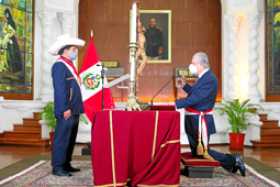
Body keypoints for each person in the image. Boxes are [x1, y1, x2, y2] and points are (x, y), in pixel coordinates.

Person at [175, 52, 246, 176]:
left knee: (203, 151)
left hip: (200, 119)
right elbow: (195, 93)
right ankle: (192, 170)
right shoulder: (203, 77)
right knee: (195, 150)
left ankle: (234, 160)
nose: (191, 65)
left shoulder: (210, 78)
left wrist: (176, 104)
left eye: (193, 63)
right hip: (192, 118)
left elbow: (197, 98)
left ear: (201, 64)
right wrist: (185, 86)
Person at [49, 34, 85, 177]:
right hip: (66, 109)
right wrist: (64, 108)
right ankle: (57, 167)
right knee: (62, 138)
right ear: (65, 50)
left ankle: (66, 164)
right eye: (73, 49)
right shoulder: (59, 66)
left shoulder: (69, 65)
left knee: (70, 139)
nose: (75, 52)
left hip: (74, 108)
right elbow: (60, 89)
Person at [0, 8, 23, 75]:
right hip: (8, 39)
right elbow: (5, 31)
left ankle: (15, 68)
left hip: (12, 40)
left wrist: (9, 35)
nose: (5, 15)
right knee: (9, 54)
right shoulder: (7, 22)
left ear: (8, 14)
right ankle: (11, 68)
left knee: (13, 53)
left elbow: (13, 31)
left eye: (6, 14)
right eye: (5, 14)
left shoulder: (11, 21)